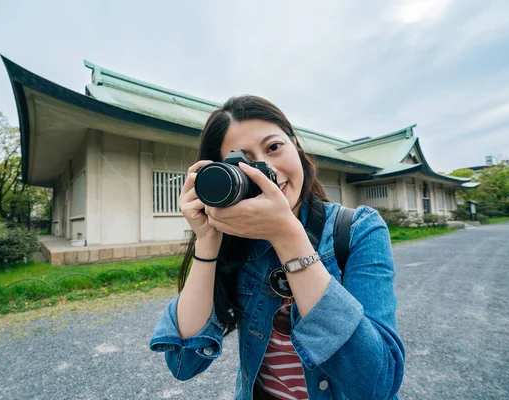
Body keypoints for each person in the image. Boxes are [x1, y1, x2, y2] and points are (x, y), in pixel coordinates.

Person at [150, 95, 405, 400]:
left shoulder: (359, 230)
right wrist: (207, 240)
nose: (266, 170)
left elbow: (377, 384)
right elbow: (184, 363)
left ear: (295, 146)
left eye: (273, 148)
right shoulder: (234, 242)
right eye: (244, 162)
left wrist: (287, 236)